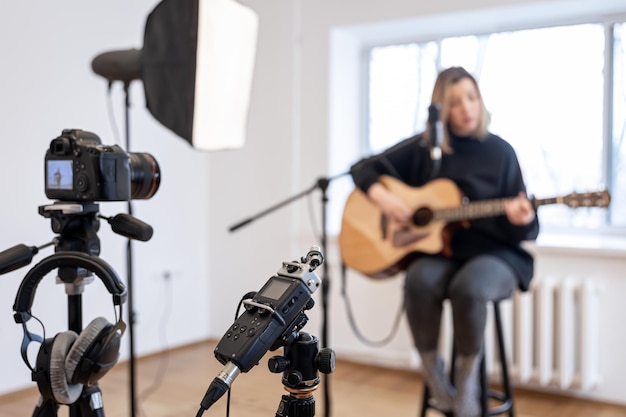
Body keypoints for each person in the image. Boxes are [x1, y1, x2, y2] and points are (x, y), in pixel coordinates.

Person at [349, 66, 539, 417]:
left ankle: (466, 388)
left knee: (470, 287)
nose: (467, 108)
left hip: (496, 255)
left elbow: (526, 231)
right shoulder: (426, 150)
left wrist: (522, 219)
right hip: (444, 253)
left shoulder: (501, 152)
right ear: (440, 110)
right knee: (418, 279)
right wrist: (388, 201)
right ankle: (437, 381)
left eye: (472, 97)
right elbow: (362, 168)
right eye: (455, 102)